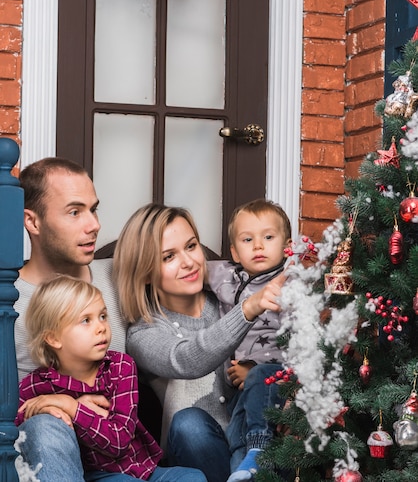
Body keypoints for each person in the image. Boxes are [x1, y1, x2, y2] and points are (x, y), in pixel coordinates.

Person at [113, 203, 285, 482]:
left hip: (258, 441)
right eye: (169, 256)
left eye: (191, 246)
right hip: (200, 454)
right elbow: (187, 358)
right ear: (144, 270)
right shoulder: (144, 332)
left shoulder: (227, 299)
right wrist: (247, 309)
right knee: (187, 422)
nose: (189, 262)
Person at [16, 276, 207, 482]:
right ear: (53, 338)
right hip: (95, 476)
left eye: (103, 316)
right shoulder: (36, 385)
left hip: (143, 470)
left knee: (192, 476)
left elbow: (119, 441)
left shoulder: (120, 367)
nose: (101, 327)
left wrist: (72, 408)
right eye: (85, 320)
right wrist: (44, 412)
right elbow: (14, 432)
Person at [15, 157, 126, 482]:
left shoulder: (118, 280)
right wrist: (54, 406)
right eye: (75, 212)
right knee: (45, 427)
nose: (94, 225)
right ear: (32, 222)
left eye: (94, 209)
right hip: (40, 459)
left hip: (117, 460)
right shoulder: (9, 298)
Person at [207, 199, 292, 481]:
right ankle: (243, 468)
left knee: (259, 381)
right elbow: (189, 266)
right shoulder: (225, 277)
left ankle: (259, 452)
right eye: (247, 239)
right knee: (237, 434)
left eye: (268, 237)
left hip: (276, 378)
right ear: (234, 250)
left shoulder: (290, 283)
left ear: (287, 245)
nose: (258, 246)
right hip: (240, 390)